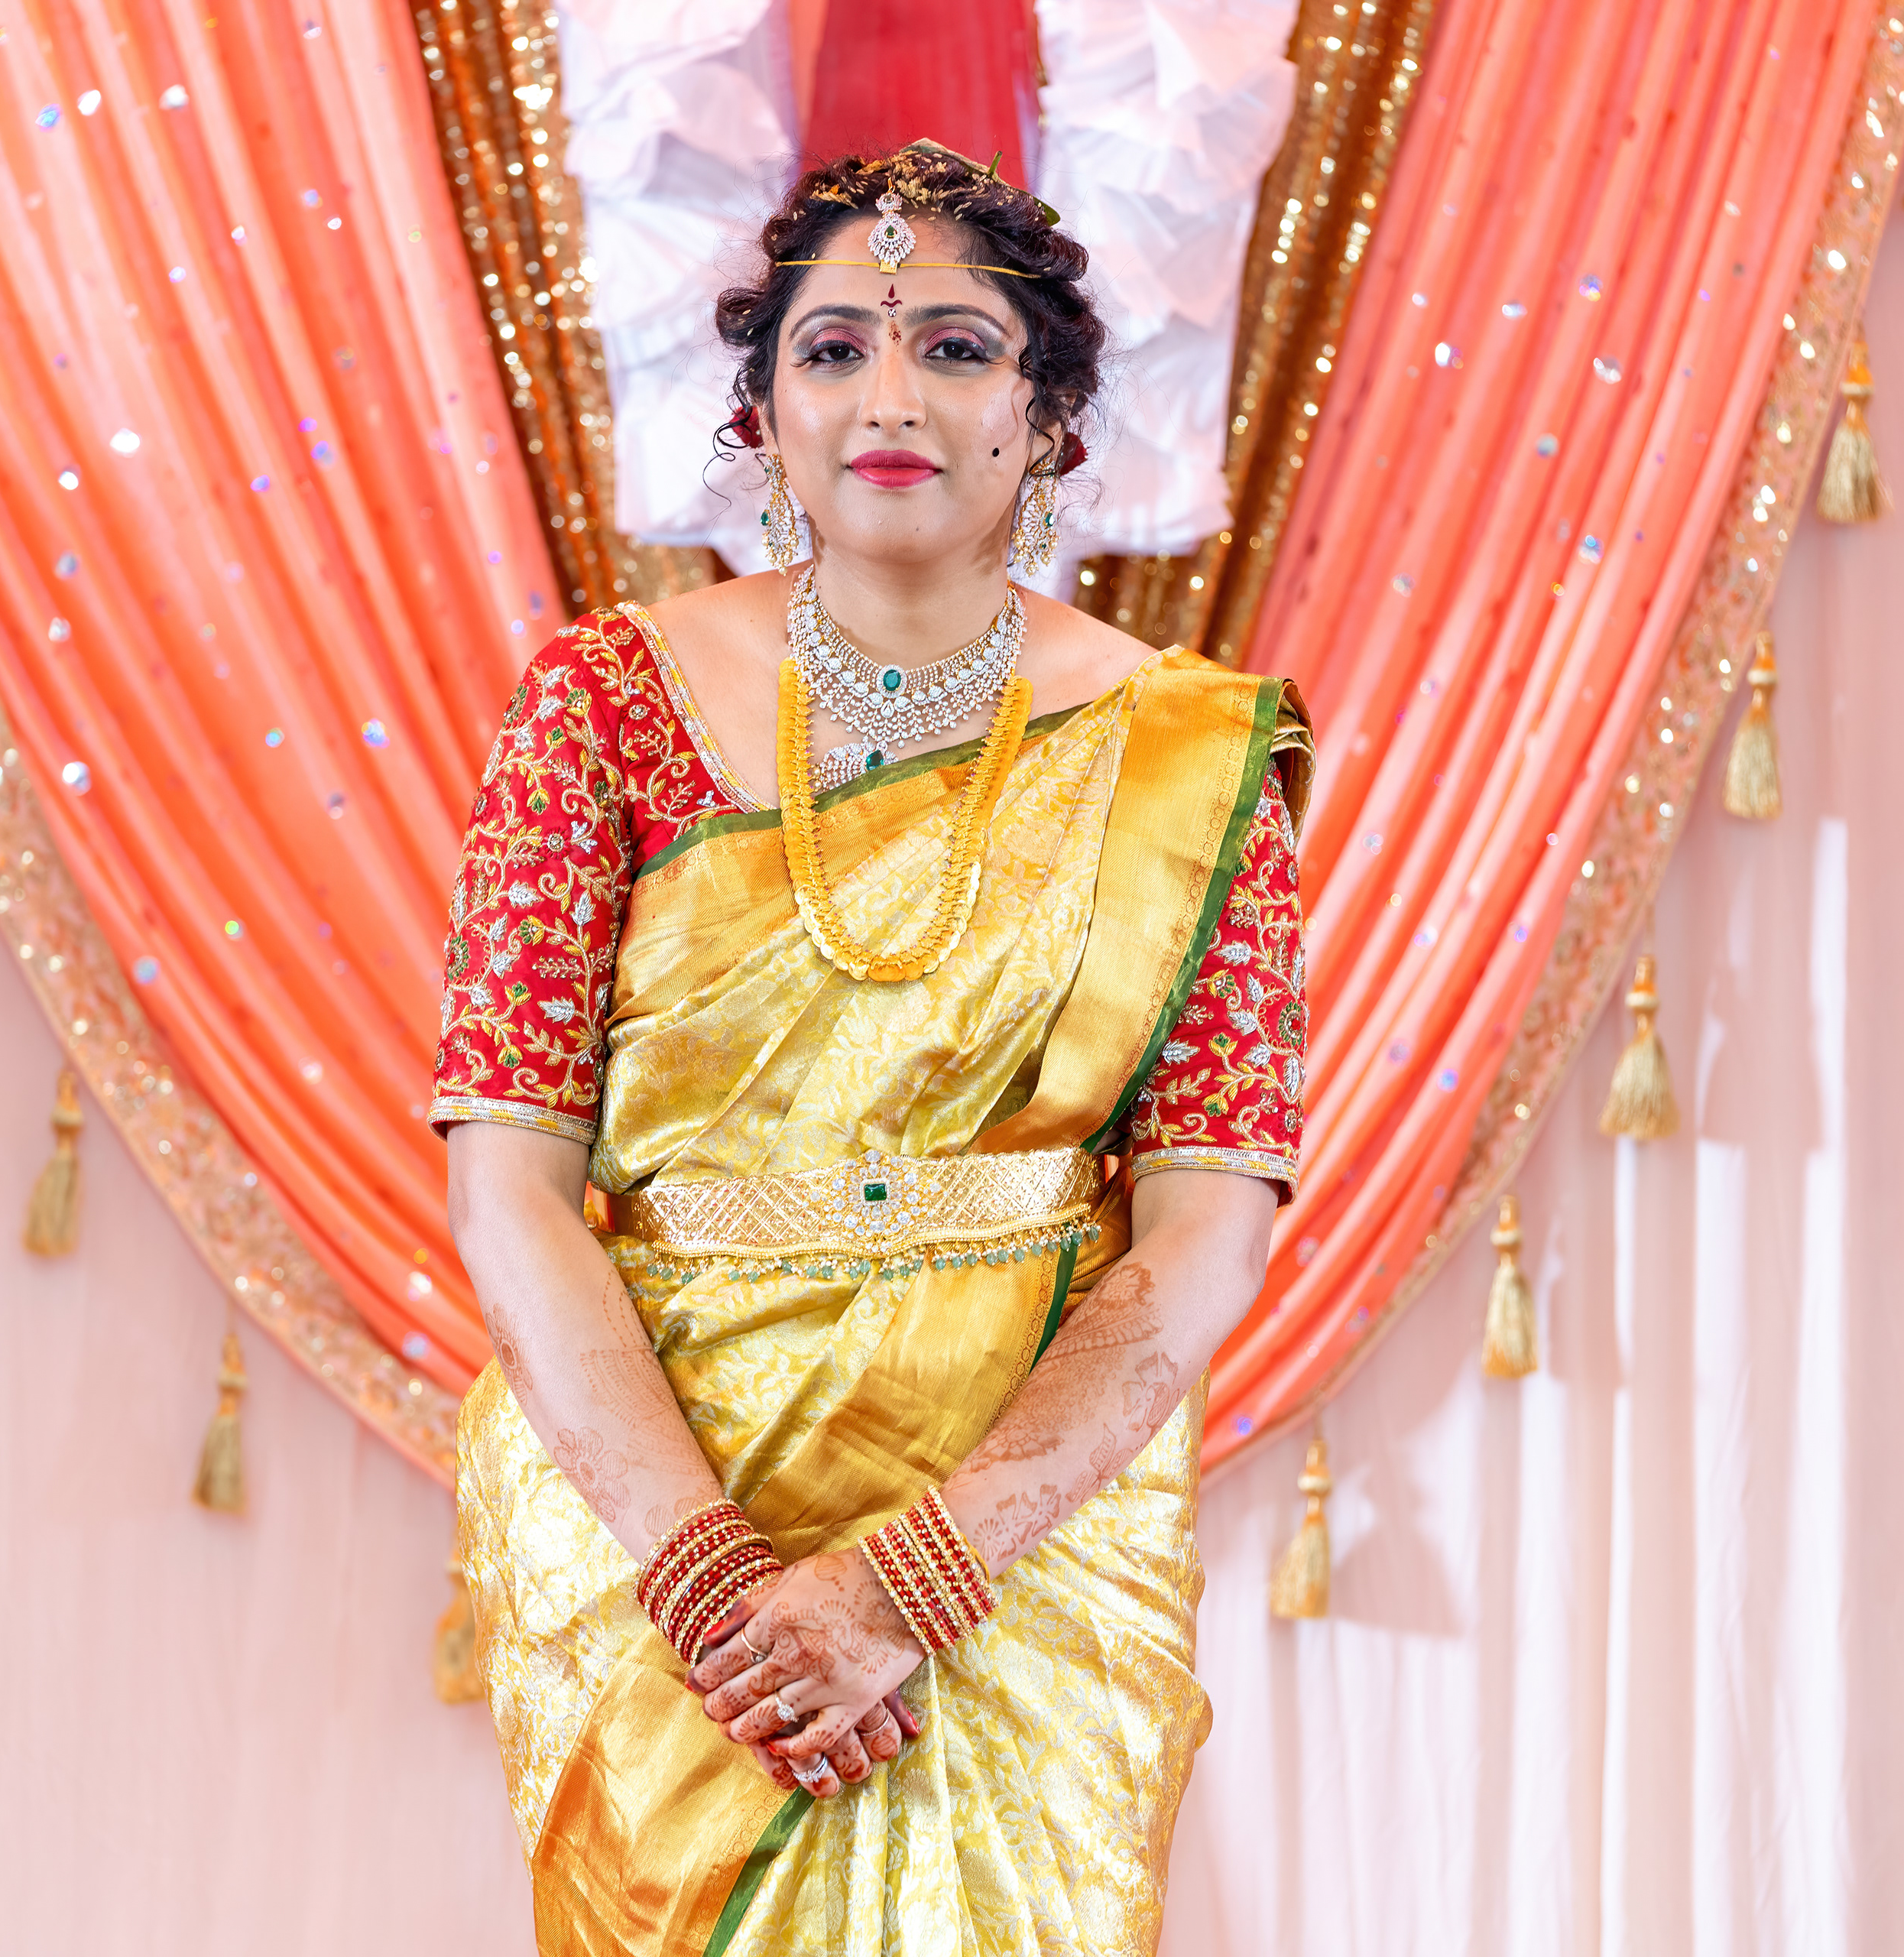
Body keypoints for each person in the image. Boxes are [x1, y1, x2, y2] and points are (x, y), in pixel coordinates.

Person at [437, 139, 1312, 1956]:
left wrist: (919, 1575)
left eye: (956, 348)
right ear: (763, 412)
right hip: (666, 1531)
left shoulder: (1187, 751)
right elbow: (508, 1185)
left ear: (1048, 412)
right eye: (833, 348)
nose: (890, 395)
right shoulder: (600, 705)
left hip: (1020, 1550)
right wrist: (715, 1585)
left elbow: (1208, 1226)